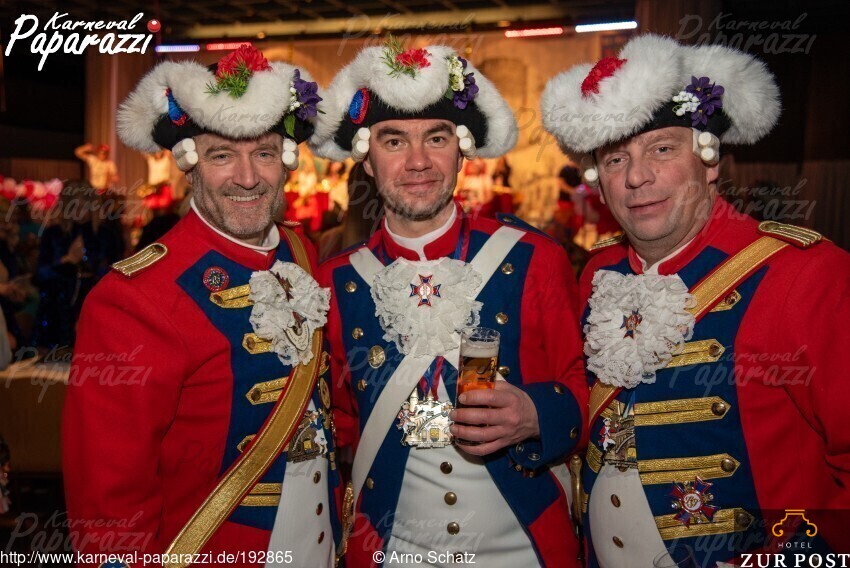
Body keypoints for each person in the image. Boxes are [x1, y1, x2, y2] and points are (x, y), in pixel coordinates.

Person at [541, 34, 850, 566]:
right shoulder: (599, 272)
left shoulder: (804, 273)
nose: (637, 177)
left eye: (662, 149)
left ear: (708, 160)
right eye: (615, 159)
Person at [311, 40, 587, 566]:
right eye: (394, 141)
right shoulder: (337, 281)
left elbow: (581, 387)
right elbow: (338, 421)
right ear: (367, 159)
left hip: (524, 548)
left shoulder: (535, 258)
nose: (418, 162)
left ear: (461, 151)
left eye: (435, 138)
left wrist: (536, 414)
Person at [63, 46, 342, 567]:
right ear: (189, 166)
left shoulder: (301, 253)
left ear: (286, 162)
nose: (247, 177)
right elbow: (107, 508)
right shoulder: (133, 299)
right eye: (221, 156)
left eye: (264, 153)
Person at [33, 181, 124, 350]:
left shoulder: (106, 235)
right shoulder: (54, 234)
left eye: (84, 204)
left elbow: (117, 277)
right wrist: (67, 261)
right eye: (73, 204)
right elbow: (39, 276)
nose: (79, 210)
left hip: (96, 310)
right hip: (56, 312)